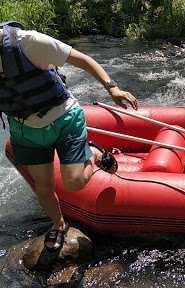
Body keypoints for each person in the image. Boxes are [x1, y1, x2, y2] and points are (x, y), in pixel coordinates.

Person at [0, 21, 138, 251]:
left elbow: (82, 59)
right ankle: (59, 225)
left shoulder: (28, 42)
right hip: (25, 128)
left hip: (64, 117)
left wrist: (112, 87)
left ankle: (94, 154)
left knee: (74, 182)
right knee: (43, 187)